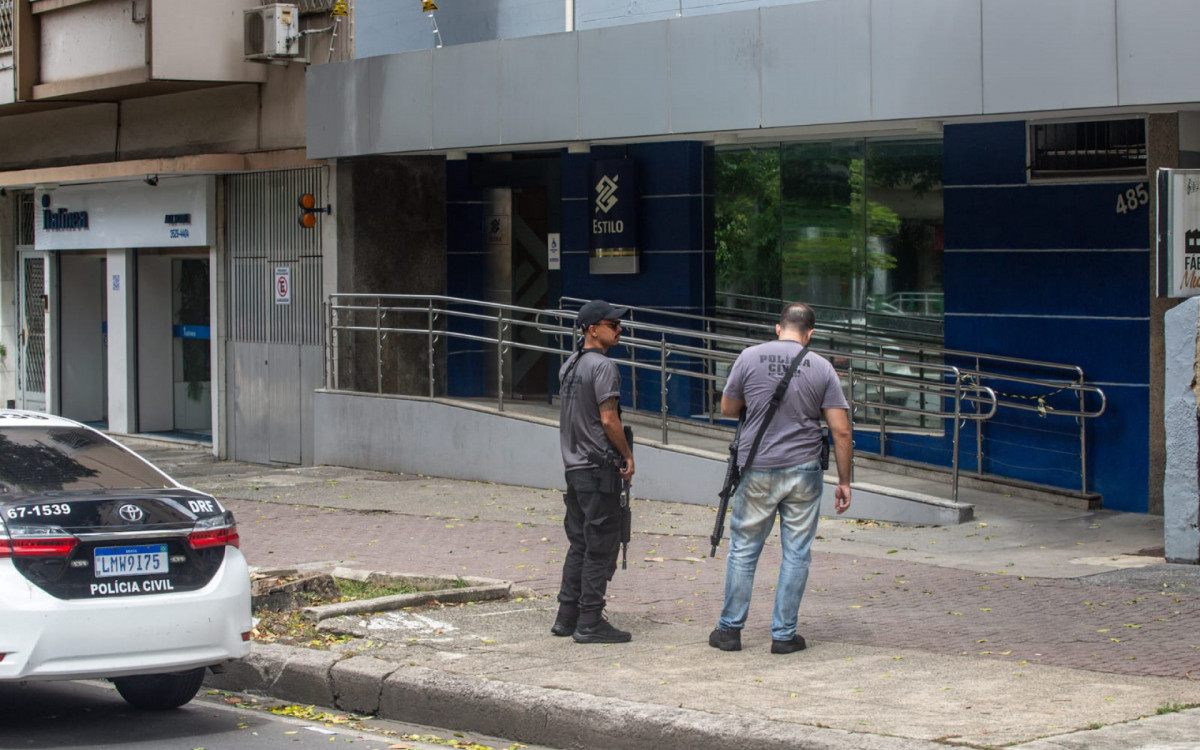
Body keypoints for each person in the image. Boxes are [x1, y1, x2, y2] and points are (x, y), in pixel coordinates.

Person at [709, 302, 852, 654]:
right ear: (810, 333)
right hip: (803, 470)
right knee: (797, 553)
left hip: (757, 466)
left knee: (743, 551)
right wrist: (845, 481)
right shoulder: (822, 367)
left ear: (778, 328)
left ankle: (729, 631)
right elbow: (841, 430)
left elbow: (727, 408)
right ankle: (784, 635)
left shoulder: (748, 357)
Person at [552, 299, 636, 644]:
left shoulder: (569, 366)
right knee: (600, 546)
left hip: (574, 468)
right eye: (612, 325)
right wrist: (627, 456)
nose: (619, 330)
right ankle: (590, 621)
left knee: (579, 544)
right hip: (598, 468)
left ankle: (566, 617)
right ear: (592, 329)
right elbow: (608, 419)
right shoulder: (603, 367)